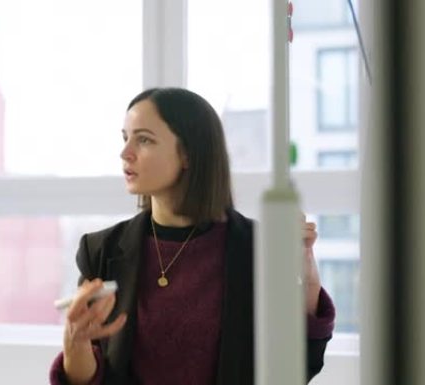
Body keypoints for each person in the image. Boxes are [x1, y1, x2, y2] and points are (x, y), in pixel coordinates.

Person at [49, 87, 336, 384]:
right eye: (125, 138)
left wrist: (308, 280)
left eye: (143, 139)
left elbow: (295, 368)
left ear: (188, 154)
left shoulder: (256, 248)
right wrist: (76, 344)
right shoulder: (101, 250)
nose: (125, 153)